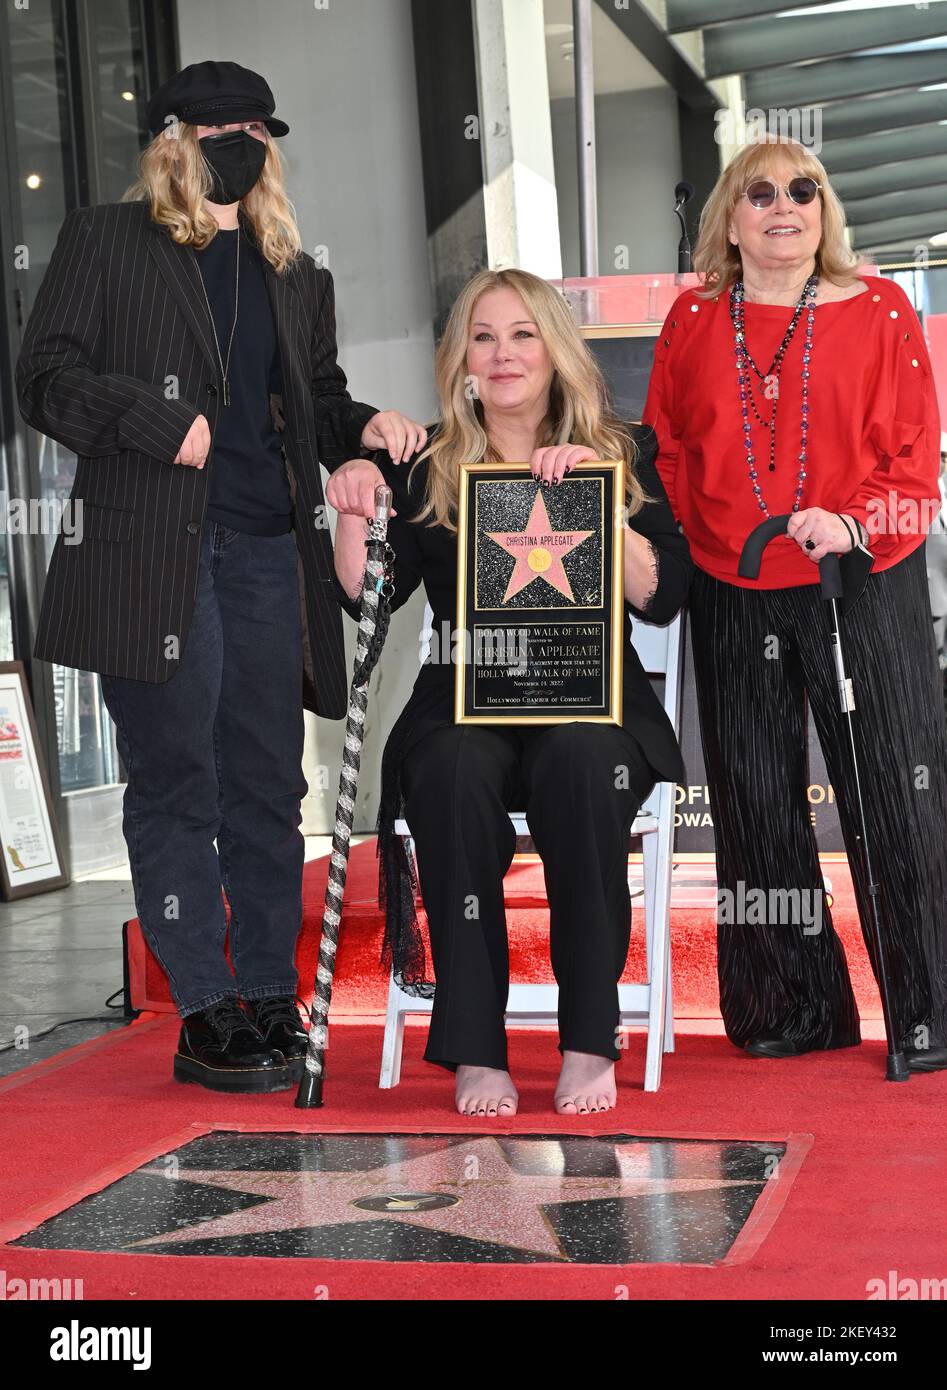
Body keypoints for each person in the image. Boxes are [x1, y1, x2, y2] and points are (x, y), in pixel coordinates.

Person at [16, 61, 425, 1093]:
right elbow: (45, 380)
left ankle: (266, 996)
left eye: (254, 126)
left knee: (264, 782)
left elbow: (313, 402)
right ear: (173, 139)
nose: (238, 140)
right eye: (218, 127)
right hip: (151, 553)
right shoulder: (105, 242)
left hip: (262, 553)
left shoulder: (295, 271)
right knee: (174, 781)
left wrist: (361, 430)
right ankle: (203, 1009)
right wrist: (159, 425)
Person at [332, 268, 693, 1116]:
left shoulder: (621, 448)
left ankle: (586, 1037)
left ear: (554, 350)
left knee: (580, 764)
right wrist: (350, 513)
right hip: (463, 697)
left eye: (522, 334)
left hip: (588, 699)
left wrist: (593, 501)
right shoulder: (424, 464)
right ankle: (473, 1048)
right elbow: (370, 599)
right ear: (461, 356)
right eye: (484, 337)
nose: (502, 355)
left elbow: (664, 596)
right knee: (451, 776)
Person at [644, 134, 947, 1070]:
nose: (786, 207)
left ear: (826, 210)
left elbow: (915, 460)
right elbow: (663, 448)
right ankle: (791, 1005)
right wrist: (693, 546)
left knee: (899, 794)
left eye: (804, 191)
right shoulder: (692, 317)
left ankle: (928, 1011)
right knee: (753, 801)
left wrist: (853, 525)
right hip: (734, 587)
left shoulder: (882, 307)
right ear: (728, 220)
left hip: (860, 579)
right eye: (761, 192)